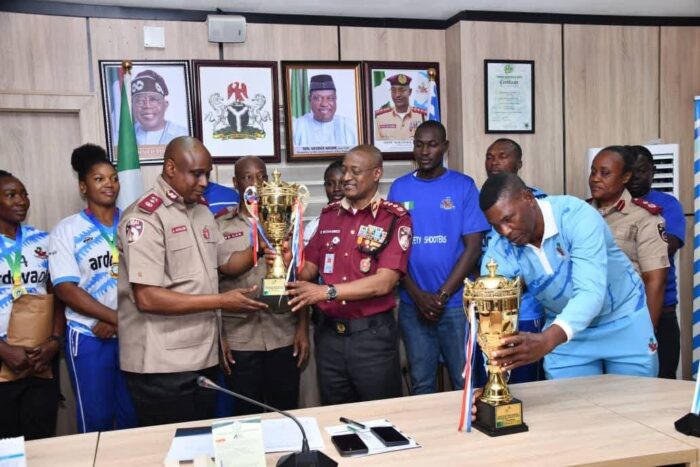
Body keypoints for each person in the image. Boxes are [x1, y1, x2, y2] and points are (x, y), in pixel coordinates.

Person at [117, 136, 267, 427]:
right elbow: (147, 298)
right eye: (196, 174)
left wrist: (262, 244)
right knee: (169, 445)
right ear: (170, 168)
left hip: (203, 359)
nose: (204, 182)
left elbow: (227, 263)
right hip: (162, 366)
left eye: (207, 174)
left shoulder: (201, 212)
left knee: (200, 444)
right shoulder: (145, 217)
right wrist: (222, 301)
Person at [479, 173, 658, 380]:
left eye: (508, 219)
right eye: (496, 225)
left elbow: (590, 293)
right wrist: (494, 379)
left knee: (637, 398)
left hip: (623, 319)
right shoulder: (499, 250)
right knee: (568, 401)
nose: (505, 231)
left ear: (528, 198)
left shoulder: (576, 216)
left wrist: (546, 341)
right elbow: (493, 319)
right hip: (565, 332)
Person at [271, 145, 412, 405]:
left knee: (380, 416)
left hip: (371, 339)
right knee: (336, 416)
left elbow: (384, 282)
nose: (346, 177)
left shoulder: (393, 218)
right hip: (329, 339)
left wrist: (326, 292)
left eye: (355, 171)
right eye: (345, 170)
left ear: (377, 173)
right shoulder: (329, 215)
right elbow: (309, 269)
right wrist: (288, 260)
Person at [387, 121, 488, 394]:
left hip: (455, 305)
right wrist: (418, 295)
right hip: (413, 305)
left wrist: (441, 296)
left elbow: (473, 248)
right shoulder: (399, 188)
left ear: (445, 147)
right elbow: (393, 251)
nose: (425, 151)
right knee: (421, 383)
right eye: (419, 144)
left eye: (432, 145)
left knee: (464, 381)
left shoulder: (463, 186)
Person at [49, 144, 137, 433]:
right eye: (99, 179)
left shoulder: (134, 223)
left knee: (133, 417)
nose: (109, 184)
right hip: (90, 335)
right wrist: (114, 318)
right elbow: (66, 289)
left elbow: (149, 278)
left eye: (113, 178)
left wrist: (119, 320)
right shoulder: (67, 230)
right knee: (96, 420)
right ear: (83, 187)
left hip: (133, 333)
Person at [217, 157, 309, 415]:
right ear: (236, 182)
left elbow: (300, 277)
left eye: (261, 177)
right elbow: (213, 283)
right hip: (240, 338)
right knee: (247, 415)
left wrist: (302, 328)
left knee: (287, 411)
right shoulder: (220, 225)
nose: (256, 183)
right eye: (248, 177)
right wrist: (220, 336)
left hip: (282, 334)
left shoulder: (288, 220)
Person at [0, 170, 64, 440]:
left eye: (24, 194)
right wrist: (4, 350)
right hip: (4, 357)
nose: (21, 201)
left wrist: (54, 342)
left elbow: (58, 295)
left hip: (40, 359)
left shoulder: (44, 241)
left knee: (41, 440)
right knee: (6, 445)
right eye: (11, 195)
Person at [588, 146, 669, 333]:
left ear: (625, 177)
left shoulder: (644, 218)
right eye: (593, 172)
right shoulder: (579, 213)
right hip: (586, 322)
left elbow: (655, 280)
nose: (595, 178)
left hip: (626, 320)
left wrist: (646, 333)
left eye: (605, 173)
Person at [483, 137, 545, 384]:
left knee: (525, 380)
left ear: (519, 163)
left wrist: (511, 291)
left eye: (502, 156)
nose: (494, 162)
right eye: (489, 157)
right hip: (489, 308)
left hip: (525, 308)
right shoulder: (483, 201)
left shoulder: (536, 201)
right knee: (493, 374)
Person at [627, 144, 685, 379]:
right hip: (622, 311)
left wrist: (627, 244)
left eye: (641, 171)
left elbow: (667, 245)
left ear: (652, 171)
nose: (635, 177)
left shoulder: (667, 204)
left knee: (664, 380)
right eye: (630, 171)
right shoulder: (607, 206)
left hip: (662, 310)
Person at [293, 74, 357, 151]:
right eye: (318, 98)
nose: (324, 104)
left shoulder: (348, 126)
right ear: (310, 99)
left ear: (335, 99)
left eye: (330, 98)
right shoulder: (297, 126)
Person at [131, 70, 188, 146]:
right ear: (132, 107)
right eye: (140, 101)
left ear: (165, 105)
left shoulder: (184, 135)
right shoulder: (121, 137)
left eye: (153, 100)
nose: (147, 106)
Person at [374, 74, 426, 140]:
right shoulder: (380, 118)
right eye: (393, 90)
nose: (397, 95)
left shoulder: (422, 117)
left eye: (402, 90)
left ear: (410, 92)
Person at [303, 160, 344, 245]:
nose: (336, 189)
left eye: (343, 183)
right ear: (325, 186)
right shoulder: (313, 226)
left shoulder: (361, 222)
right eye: (330, 184)